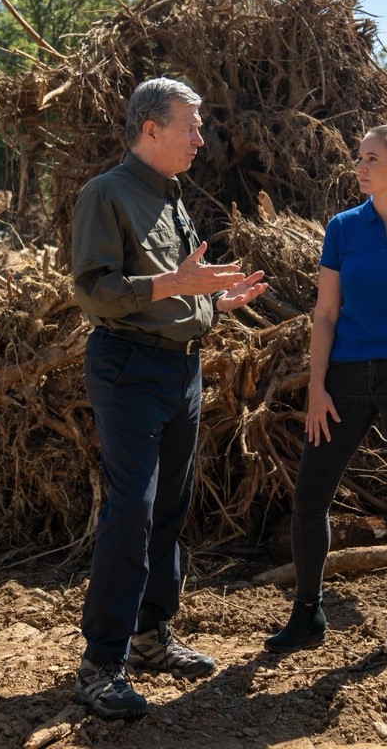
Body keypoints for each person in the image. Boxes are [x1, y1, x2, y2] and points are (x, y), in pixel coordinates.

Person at [70, 77, 268, 719]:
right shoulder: (106, 194)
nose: (200, 137)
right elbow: (96, 292)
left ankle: (153, 636)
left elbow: (175, 287)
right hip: (127, 368)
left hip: (182, 371)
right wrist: (175, 284)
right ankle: (101, 664)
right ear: (150, 129)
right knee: (131, 510)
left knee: (170, 511)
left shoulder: (172, 198)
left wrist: (212, 300)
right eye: (190, 125)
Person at [263, 124, 387, 661]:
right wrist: (317, 386)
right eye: (358, 157)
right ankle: (308, 613)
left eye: (370, 157)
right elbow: (325, 314)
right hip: (346, 378)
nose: (359, 165)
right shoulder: (342, 229)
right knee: (309, 499)